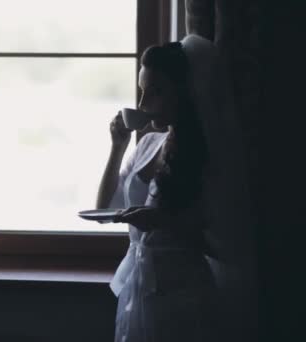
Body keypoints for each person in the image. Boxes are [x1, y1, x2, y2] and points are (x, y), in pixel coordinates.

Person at [96, 35, 221, 342]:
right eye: (142, 91)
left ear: (184, 91)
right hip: (139, 288)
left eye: (155, 91)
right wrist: (117, 147)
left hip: (183, 294)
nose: (142, 104)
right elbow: (102, 211)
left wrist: (163, 222)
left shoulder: (207, 154)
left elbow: (224, 243)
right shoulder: (148, 145)